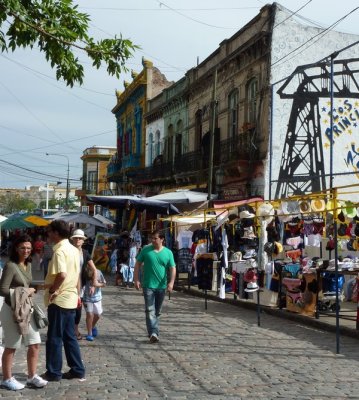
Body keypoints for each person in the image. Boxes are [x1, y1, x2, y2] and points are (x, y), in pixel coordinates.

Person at [0, 234, 48, 390]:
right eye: (22, 247)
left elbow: (27, 284)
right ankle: (7, 379)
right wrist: (25, 291)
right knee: (11, 345)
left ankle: (32, 376)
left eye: (28, 247)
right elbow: (2, 290)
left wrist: (42, 285)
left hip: (26, 308)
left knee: (34, 343)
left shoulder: (27, 264)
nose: (26, 250)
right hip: (12, 310)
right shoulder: (10, 266)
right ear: (16, 248)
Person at [41, 220, 85, 382]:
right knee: (69, 337)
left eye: (50, 231)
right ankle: (77, 369)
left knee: (54, 337)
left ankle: (53, 372)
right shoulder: (74, 250)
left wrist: (53, 290)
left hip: (59, 299)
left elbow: (62, 274)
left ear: (56, 233)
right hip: (71, 298)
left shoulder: (60, 251)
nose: (48, 234)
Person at [134, 230, 176, 344]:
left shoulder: (168, 253)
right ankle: (153, 332)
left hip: (161, 286)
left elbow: (172, 268)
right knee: (149, 309)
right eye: (152, 238)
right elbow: (137, 264)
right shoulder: (146, 250)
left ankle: (153, 331)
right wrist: (136, 279)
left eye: (155, 238)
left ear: (162, 239)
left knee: (157, 311)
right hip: (148, 285)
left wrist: (171, 283)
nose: (153, 240)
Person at [70, 229, 96, 340]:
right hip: (68, 283)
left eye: (80, 238)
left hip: (81, 284)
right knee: (68, 307)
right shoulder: (68, 251)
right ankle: (69, 329)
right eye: (76, 238)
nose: (78, 240)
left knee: (78, 307)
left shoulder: (85, 253)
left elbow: (94, 269)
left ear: (83, 240)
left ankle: (75, 329)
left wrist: (93, 284)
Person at [82, 268, 106, 341]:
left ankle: (92, 327)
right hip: (86, 298)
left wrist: (96, 285)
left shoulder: (98, 272)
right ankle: (89, 333)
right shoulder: (83, 271)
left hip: (97, 298)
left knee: (98, 315)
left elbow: (104, 284)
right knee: (89, 314)